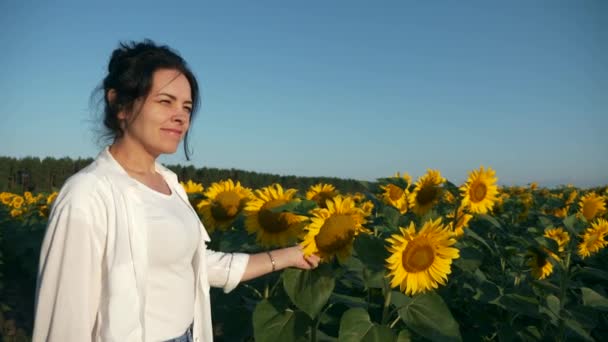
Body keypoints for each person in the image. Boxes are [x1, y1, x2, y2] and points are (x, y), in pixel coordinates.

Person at [32, 39, 320, 342]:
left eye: (187, 107)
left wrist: (288, 256)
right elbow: (64, 321)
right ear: (120, 105)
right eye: (165, 101)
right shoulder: (87, 194)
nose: (181, 117)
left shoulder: (169, 184)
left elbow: (197, 265)